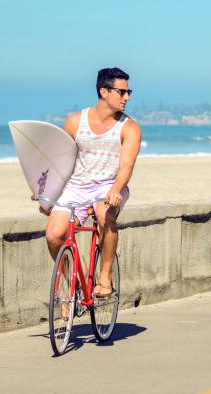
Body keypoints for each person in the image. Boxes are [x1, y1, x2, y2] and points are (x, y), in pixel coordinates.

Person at [43, 67, 142, 298]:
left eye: (129, 92)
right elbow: (59, 161)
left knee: (104, 215)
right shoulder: (75, 122)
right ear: (104, 91)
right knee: (54, 235)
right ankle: (74, 283)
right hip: (75, 186)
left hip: (108, 186)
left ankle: (105, 277)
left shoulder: (130, 128)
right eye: (122, 92)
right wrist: (46, 192)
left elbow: (126, 166)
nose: (127, 97)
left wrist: (116, 190)